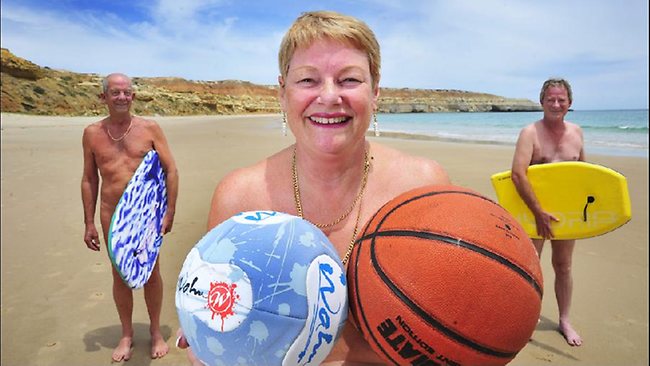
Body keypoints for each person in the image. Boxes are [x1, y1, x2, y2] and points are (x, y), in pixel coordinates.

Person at [176, 10, 450, 365]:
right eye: (308, 80)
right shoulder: (239, 197)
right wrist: (207, 337)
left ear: (376, 91)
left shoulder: (423, 187)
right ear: (282, 91)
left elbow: (451, 320)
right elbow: (212, 335)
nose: (329, 96)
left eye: (349, 79)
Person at [81, 73, 179, 361]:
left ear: (133, 96)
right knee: (119, 275)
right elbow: (89, 179)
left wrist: (169, 211)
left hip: (147, 214)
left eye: (126, 92)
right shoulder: (92, 133)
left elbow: (171, 170)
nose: (122, 97)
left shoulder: (150, 128)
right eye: (115, 93)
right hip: (111, 215)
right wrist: (88, 222)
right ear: (104, 97)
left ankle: (156, 331)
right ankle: (126, 334)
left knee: (151, 272)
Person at [511, 77, 585, 347]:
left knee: (563, 266)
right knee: (532, 269)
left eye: (561, 100)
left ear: (569, 103)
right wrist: (539, 212)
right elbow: (518, 174)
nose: (556, 104)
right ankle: (527, 319)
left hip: (566, 214)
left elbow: (584, 174)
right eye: (551, 99)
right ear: (542, 102)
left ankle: (564, 320)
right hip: (534, 213)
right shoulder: (530, 133)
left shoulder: (577, 132)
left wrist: (586, 213)